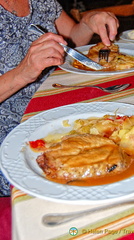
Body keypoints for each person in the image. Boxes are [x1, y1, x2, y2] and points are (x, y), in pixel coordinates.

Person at [0, 0, 119, 196]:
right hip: (12, 134)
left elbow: (71, 41)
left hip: (57, 100)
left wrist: (87, 22)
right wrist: (22, 73)